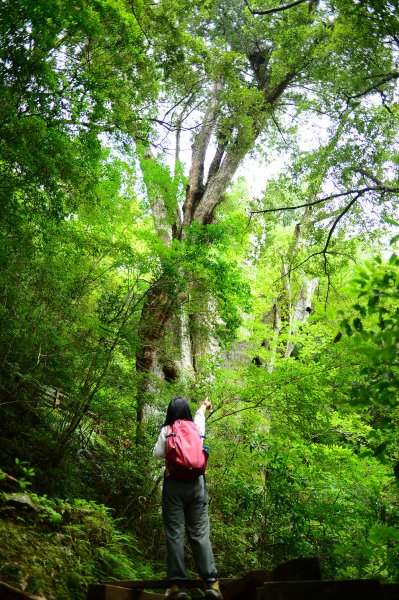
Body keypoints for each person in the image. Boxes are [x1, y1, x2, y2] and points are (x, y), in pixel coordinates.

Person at [153, 396, 223, 600]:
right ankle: (211, 584)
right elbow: (201, 414)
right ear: (186, 411)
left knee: (175, 533)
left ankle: (177, 586)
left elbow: (157, 454)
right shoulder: (196, 426)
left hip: (174, 485)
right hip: (196, 485)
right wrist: (204, 405)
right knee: (200, 533)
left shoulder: (168, 430)